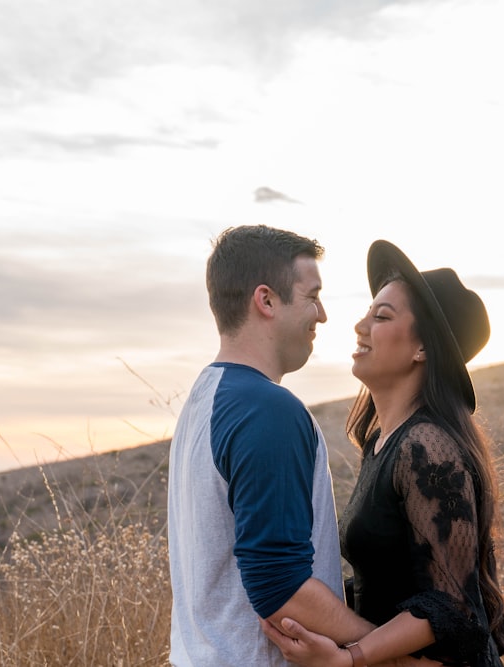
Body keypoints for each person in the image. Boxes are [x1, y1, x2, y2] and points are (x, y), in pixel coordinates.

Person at [261, 240, 504, 666]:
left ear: (423, 349)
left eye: (381, 316)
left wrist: (350, 658)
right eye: (368, 311)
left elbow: (453, 604)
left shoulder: (428, 448)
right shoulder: (384, 443)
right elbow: (385, 582)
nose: (359, 325)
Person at [167, 225, 384, 666]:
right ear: (266, 300)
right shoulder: (266, 409)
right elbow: (280, 588)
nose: (322, 314)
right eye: (312, 295)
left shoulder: (204, 399)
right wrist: (382, 646)